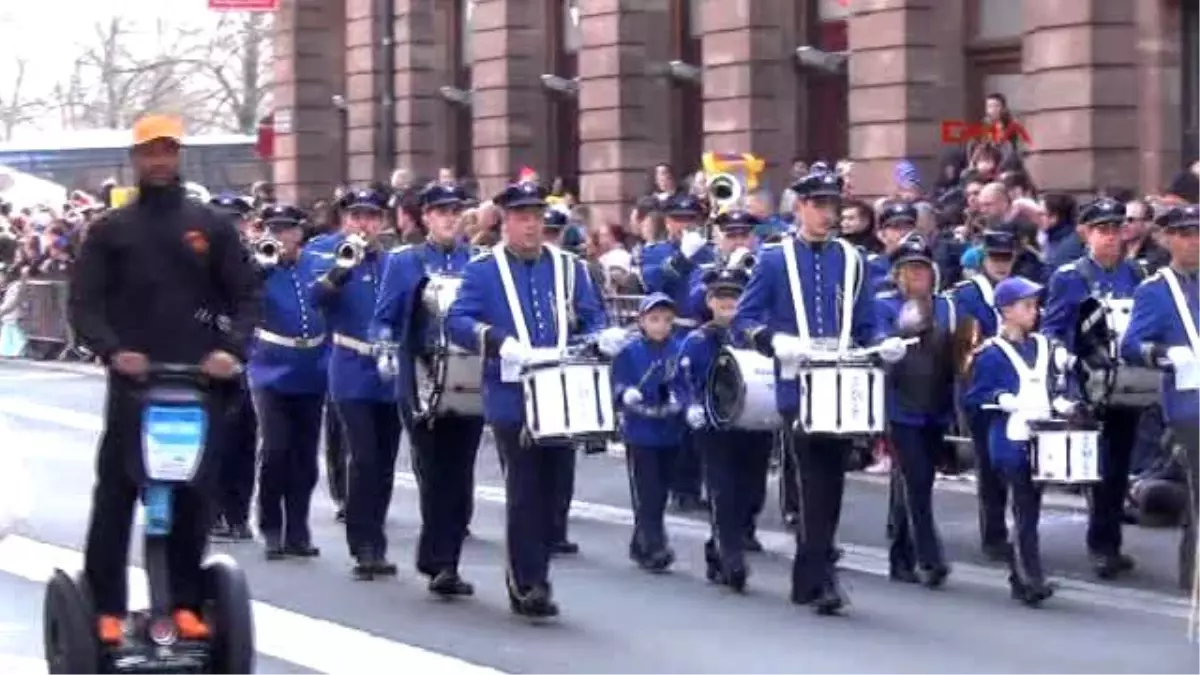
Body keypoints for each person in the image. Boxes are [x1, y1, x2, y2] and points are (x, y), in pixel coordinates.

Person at [67, 114, 261, 644]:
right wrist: (111, 349)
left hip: (198, 384)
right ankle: (106, 607)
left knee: (195, 494)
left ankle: (183, 604)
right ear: (135, 158)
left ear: (179, 156)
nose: (158, 160)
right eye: (148, 152)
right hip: (135, 385)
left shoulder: (211, 226)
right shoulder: (111, 230)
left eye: (167, 151)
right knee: (116, 493)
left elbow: (246, 296)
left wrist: (230, 349)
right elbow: (84, 304)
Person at [735, 170, 905, 614]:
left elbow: (868, 319)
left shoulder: (853, 259)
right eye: (820, 204)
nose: (829, 213)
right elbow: (746, 318)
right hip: (798, 382)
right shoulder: (773, 259)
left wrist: (883, 341)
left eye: (834, 205)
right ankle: (820, 575)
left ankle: (808, 576)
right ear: (801, 207)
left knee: (834, 480)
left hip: (844, 380)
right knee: (812, 481)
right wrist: (775, 343)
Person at [445, 179, 613, 618]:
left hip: (561, 391)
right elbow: (457, 320)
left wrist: (599, 338)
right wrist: (500, 343)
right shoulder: (484, 269)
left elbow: (591, 316)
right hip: (512, 395)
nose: (532, 226)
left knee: (555, 489)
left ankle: (538, 568)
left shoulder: (568, 267)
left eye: (537, 218)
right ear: (505, 222)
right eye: (522, 218)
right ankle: (528, 583)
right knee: (524, 489)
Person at [371, 181, 482, 596]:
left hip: (470, 378)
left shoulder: (478, 261)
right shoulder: (406, 262)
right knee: (435, 472)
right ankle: (440, 563)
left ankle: (444, 555)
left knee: (462, 471)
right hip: (421, 377)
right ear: (426, 218)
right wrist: (383, 349)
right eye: (441, 211)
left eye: (455, 210)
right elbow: (384, 317)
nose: (450, 218)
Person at [1041, 197, 1145, 578]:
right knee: (1099, 466)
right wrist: (1065, 365)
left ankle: (1108, 542)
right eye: (1103, 230)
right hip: (1087, 381)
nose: (1111, 237)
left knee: (1119, 465)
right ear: (1086, 233)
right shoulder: (1070, 276)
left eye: (1116, 229)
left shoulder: (1136, 273)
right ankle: (1101, 543)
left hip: (1126, 382)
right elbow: (1053, 329)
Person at [965, 276, 1079, 606]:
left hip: (1042, 437)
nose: (1035, 311)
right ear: (1006, 311)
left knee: (1030, 507)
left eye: (1035, 305)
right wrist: (1000, 398)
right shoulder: (991, 353)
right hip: (1010, 438)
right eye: (1027, 306)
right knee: (1024, 506)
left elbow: (1053, 386)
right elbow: (974, 397)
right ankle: (1031, 576)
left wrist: (1065, 404)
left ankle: (1023, 574)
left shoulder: (1043, 346)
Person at [311, 187, 402, 580]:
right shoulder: (332, 260)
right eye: (356, 217)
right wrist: (341, 270)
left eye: (371, 217)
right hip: (350, 367)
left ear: (382, 223)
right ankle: (362, 544)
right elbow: (318, 298)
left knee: (384, 462)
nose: (363, 224)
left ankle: (376, 538)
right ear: (344, 221)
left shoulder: (396, 264)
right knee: (362, 457)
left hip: (390, 370)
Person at [1120, 203, 1200, 592]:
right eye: (1185, 235)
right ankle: (1194, 578)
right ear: (1168, 239)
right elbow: (1132, 344)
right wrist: (1164, 355)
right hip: (1188, 403)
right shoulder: (1155, 289)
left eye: (1198, 234)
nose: (1194, 242)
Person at [679, 264, 768, 591]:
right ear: (710, 301)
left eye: (735, 298)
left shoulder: (756, 337)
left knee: (752, 489)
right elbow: (683, 377)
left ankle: (723, 543)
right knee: (723, 490)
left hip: (754, 424)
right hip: (715, 427)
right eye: (721, 298)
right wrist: (691, 405)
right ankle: (731, 556)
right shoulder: (698, 339)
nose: (728, 305)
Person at [248, 204, 327, 560]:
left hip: (311, 367)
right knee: (276, 447)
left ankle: (298, 528)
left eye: (287, 230)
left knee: (306, 455)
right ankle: (270, 525)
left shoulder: (316, 263)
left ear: (299, 232)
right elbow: (238, 297)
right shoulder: (258, 267)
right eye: (274, 230)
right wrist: (258, 269)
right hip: (270, 368)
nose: (281, 237)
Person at [639, 193, 713, 512]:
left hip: (700, 334)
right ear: (667, 222)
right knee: (667, 413)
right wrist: (683, 257)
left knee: (698, 416)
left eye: (689, 220)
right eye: (677, 219)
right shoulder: (654, 251)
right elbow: (654, 283)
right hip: (667, 336)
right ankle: (666, 481)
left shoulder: (708, 253)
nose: (683, 226)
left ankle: (690, 485)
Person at [950, 228, 1018, 560]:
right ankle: (993, 533)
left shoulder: (1022, 291)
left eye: (1007, 258)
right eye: (996, 258)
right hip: (980, 385)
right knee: (989, 462)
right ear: (984, 258)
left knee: (1015, 461)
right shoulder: (967, 294)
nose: (1001, 265)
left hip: (1017, 386)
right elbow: (965, 344)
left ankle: (1018, 530)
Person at [612, 292, 685, 572]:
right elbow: (617, 381)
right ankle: (655, 546)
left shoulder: (678, 349)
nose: (661, 326)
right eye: (654, 319)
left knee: (661, 490)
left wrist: (683, 400)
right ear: (642, 321)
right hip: (641, 431)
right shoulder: (630, 351)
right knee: (647, 491)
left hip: (669, 429)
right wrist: (624, 392)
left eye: (666, 320)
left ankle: (640, 543)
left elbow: (684, 382)